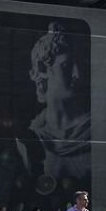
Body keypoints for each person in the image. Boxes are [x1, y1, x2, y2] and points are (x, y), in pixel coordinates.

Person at [18, 22, 90, 198]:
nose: (77, 74)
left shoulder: (92, 131)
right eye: (67, 66)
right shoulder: (31, 138)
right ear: (43, 69)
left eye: (79, 64)